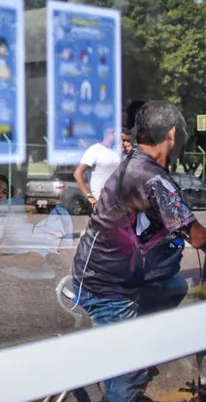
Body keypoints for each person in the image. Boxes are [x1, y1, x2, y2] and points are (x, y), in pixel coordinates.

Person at [72, 101, 206, 402]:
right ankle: (123, 371)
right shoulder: (153, 178)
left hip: (96, 273)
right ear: (172, 134)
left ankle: (128, 347)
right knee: (129, 369)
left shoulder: (135, 161)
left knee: (173, 285)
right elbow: (197, 237)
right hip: (108, 288)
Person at [73, 128, 121, 208]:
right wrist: (90, 197)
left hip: (116, 203)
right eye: (118, 133)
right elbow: (78, 173)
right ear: (109, 134)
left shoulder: (117, 152)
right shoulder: (95, 150)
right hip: (99, 203)